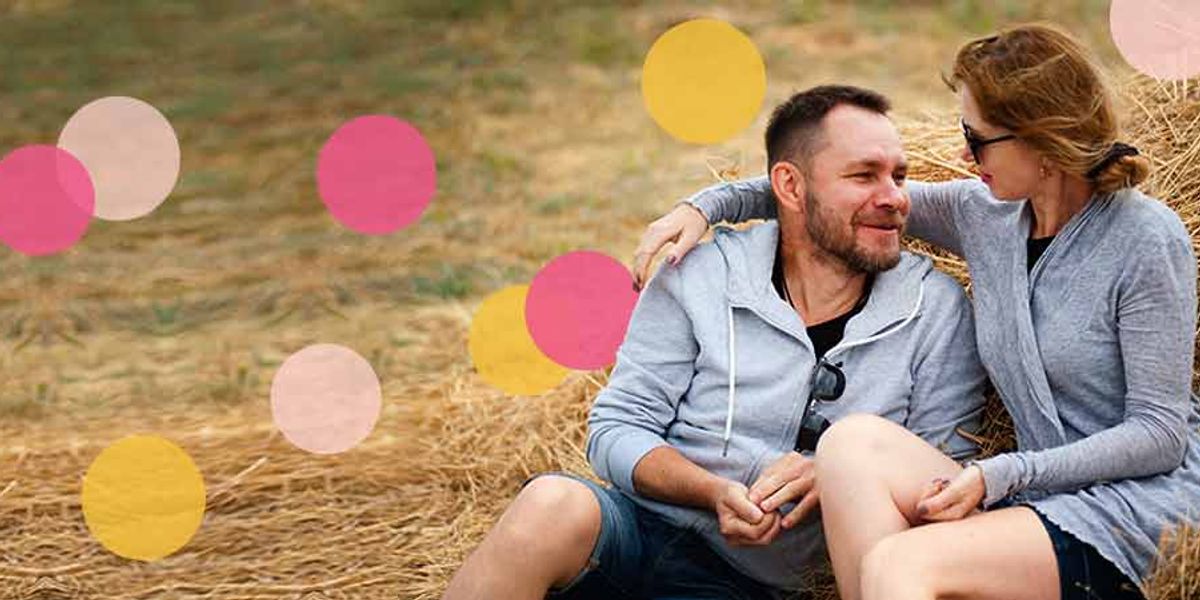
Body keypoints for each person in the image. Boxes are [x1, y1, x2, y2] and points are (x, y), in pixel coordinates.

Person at [633, 23, 1200, 600]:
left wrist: (1006, 473)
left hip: (1135, 507)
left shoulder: (1147, 236)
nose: (962, 154)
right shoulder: (987, 215)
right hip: (1033, 498)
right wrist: (706, 206)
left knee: (899, 565)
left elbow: (1159, 435)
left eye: (977, 140)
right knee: (847, 447)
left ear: (1041, 139)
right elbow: (829, 194)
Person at [442, 85, 987, 600]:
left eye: (899, 175)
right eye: (864, 175)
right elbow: (615, 428)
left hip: (770, 585)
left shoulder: (936, 309)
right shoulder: (699, 274)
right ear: (790, 186)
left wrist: (843, 475)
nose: (894, 198)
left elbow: (946, 473)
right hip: (641, 535)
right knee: (549, 504)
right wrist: (709, 491)